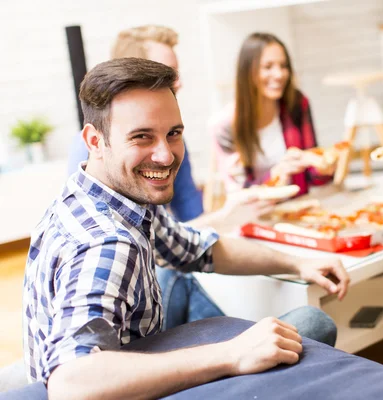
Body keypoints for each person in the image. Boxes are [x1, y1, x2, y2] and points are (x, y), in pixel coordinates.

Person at [24, 58, 350, 399]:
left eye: (173, 134)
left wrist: (299, 264)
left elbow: (198, 247)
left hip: (128, 354)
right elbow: (71, 383)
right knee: (313, 324)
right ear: (94, 140)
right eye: (141, 137)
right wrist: (232, 355)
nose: (165, 155)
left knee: (182, 279)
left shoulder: (101, 194)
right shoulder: (108, 243)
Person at [67, 25, 274, 330]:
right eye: (169, 72)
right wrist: (226, 217)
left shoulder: (171, 145)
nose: (179, 83)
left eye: (173, 134)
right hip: (144, 292)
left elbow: (185, 231)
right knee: (178, 275)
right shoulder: (97, 169)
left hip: (162, 282)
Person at [211, 32, 334, 195]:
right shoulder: (224, 125)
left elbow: (313, 177)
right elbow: (240, 193)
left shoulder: (297, 103)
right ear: (247, 72)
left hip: (299, 207)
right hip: (257, 214)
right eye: (268, 67)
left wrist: (325, 168)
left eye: (283, 66)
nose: (279, 74)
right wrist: (277, 174)